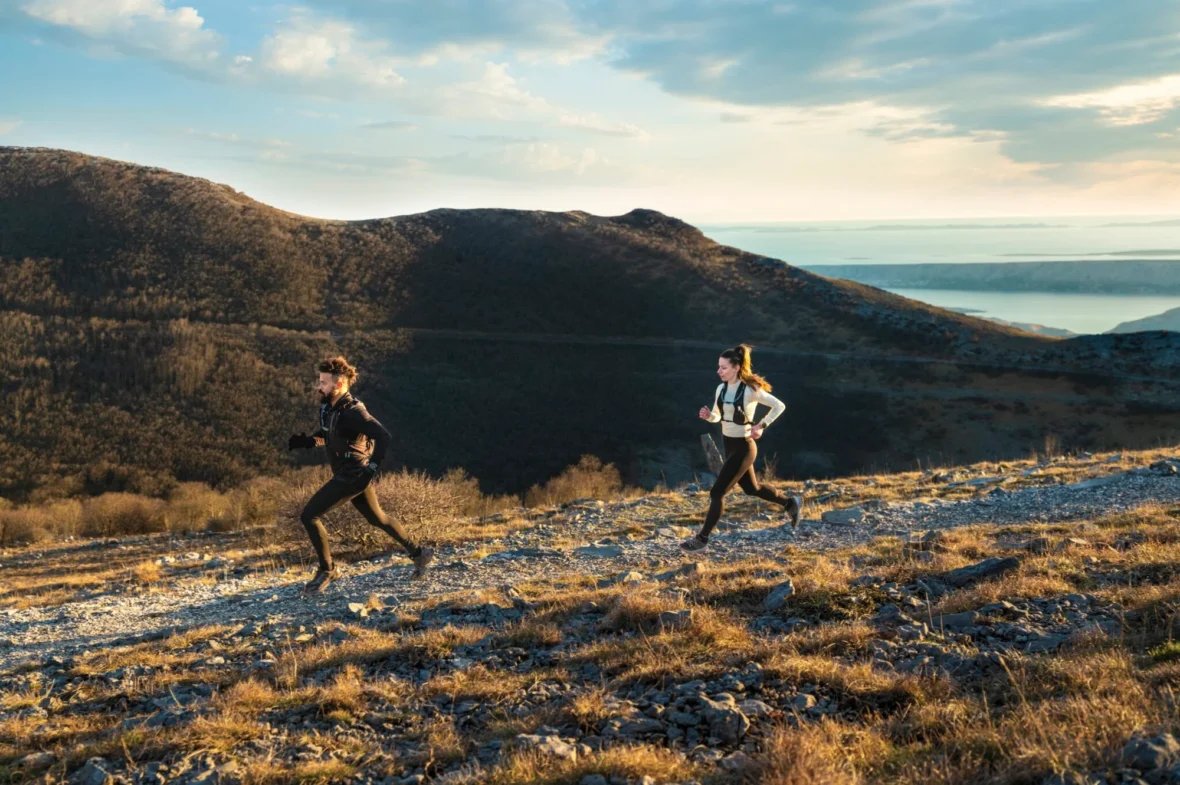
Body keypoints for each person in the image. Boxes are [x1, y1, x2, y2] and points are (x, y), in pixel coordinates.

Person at [288, 356, 433, 594]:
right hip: (349, 474)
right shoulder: (328, 408)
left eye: (323, 382)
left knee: (309, 516)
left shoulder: (354, 411)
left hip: (352, 475)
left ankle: (328, 570)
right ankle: (419, 553)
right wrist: (307, 441)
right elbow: (329, 435)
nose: (318, 386)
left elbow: (383, 436)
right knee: (378, 519)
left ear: (339, 384)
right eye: (319, 381)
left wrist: (371, 470)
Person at [681, 344, 802, 552]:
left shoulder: (751, 389)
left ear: (736, 367)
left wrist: (762, 425)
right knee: (751, 489)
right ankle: (790, 503)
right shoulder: (721, 388)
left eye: (723, 367)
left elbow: (779, 406)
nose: (719, 371)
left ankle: (702, 539)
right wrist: (709, 416)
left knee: (717, 492)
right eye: (718, 367)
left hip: (745, 447)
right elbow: (719, 416)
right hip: (729, 445)